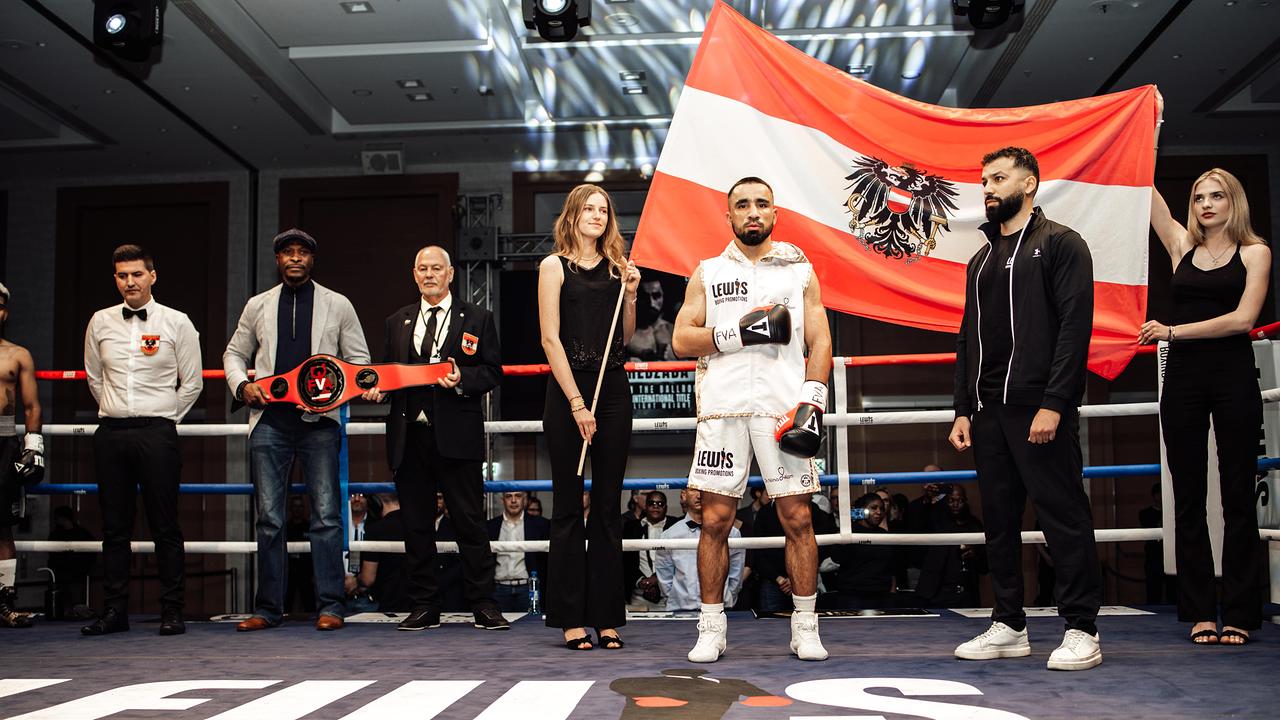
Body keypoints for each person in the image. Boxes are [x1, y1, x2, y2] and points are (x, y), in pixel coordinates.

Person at [949, 147, 1101, 671]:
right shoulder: (980, 260)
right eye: (984, 180)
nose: (988, 188)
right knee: (998, 522)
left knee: (1063, 517)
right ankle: (1009, 623)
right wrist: (962, 408)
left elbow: (1075, 331)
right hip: (988, 413)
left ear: (1029, 183)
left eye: (998, 178)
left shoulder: (1061, 244)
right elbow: (967, 339)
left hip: (1039, 407)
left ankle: (1082, 628)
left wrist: (1055, 403)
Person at [672, 176, 834, 663]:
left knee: (798, 518)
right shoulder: (708, 272)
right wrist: (740, 331)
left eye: (762, 203)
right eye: (742, 205)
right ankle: (710, 627)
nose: (753, 212)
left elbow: (820, 339)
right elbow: (681, 339)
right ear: (729, 216)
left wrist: (813, 399)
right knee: (714, 521)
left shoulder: (799, 270)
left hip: (783, 408)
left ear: (774, 213)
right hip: (722, 408)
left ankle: (805, 626)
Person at [1141, 166, 1270, 645]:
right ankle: (1198, 611)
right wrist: (1141, 135)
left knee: (1238, 496)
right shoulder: (1182, 246)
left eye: (1216, 196)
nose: (1206, 205)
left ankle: (1239, 612)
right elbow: (1147, 192)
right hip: (1184, 381)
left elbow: (1243, 320)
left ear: (1234, 201)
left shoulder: (1255, 252)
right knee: (1188, 497)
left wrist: (1173, 332)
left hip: (1233, 375)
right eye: (1199, 198)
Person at [225, 228, 371, 632]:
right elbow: (234, 353)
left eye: (301, 252)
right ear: (278, 260)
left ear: (311, 259)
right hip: (270, 423)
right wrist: (242, 386)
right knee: (270, 519)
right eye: (287, 252)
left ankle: (331, 606)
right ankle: (268, 609)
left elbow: (359, 362)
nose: (294, 258)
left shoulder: (337, 304)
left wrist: (329, 397)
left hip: (319, 424)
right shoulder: (257, 305)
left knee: (326, 516)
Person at [361, 245, 507, 631]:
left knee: (469, 523)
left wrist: (463, 379)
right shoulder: (397, 321)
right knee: (416, 526)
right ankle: (425, 604)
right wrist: (378, 391)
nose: (429, 274)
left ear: (450, 274)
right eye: (422, 269)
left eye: (436, 268)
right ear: (414, 275)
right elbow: (388, 375)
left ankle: (483, 603)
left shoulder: (477, 317)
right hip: (410, 437)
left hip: (457, 437)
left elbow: (492, 371)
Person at [538, 184, 641, 651]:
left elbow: (626, 336)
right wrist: (578, 403)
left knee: (607, 506)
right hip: (568, 392)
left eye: (604, 210)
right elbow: (550, 339)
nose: (598, 215)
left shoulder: (619, 268)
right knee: (566, 505)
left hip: (614, 389)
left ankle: (607, 617)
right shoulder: (553, 266)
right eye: (589, 208)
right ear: (573, 215)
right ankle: (569, 618)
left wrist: (632, 295)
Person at [82, 245, 202, 636]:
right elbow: (94, 378)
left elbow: (192, 383)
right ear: (115, 279)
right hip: (112, 432)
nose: (130, 282)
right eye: (122, 275)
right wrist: (118, 410)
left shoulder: (177, 322)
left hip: (157, 432)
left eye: (136, 274)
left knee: (165, 525)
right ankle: (115, 611)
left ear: (153, 276)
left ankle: (172, 610)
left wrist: (162, 418)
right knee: (114, 528)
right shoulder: (100, 321)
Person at [0, 282, 43, 629]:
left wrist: (34, 446)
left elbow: (31, 406)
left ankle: (3, 603)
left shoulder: (17, 355)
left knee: (2, 529)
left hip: (2, 444)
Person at [656, 489, 745, 611]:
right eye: (694, 490)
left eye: (704, 490)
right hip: (680, 609)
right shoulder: (669, 535)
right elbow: (664, 576)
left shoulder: (732, 533)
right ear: (684, 495)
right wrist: (675, 599)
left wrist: (728, 596)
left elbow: (736, 573)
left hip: (720, 608)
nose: (699, 495)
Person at [915, 486, 988, 608]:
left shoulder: (974, 526)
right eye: (951, 500)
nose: (955, 504)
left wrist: (975, 554)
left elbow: (985, 565)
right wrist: (928, 499)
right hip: (937, 593)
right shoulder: (938, 521)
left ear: (965, 501)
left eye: (959, 500)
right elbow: (918, 521)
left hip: (967, 593)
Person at [826, 493, 895, 609]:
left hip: (881, 596)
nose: (879, 512)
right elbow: (836, 557)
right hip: (852, 596)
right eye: (874, 508)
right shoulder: (848, 533)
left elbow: (891, 568)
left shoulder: (884, 535)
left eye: (882, 509)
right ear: (861, 510)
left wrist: (892, 595)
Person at [487, 490, 550, 613]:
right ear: (502, 500)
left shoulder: (541, 524)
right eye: (508, 496)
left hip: (528, 589)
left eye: (518, 496)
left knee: (532, 625)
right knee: (497, 626)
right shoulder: (490, 526)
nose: (513, 500)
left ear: (525, 499)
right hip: (498, 589)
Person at [624, 490, 679, 609]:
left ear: (666, 507)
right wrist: (641, 581)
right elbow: (626, 561)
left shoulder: (676, 526)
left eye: (660, 504)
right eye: (651, 503)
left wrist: (658, 578)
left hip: (670, 594)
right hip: (639, 595)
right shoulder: (631, 527)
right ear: (645, 506)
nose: (655, 506)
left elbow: (681, 559)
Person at [357, 494, 409, 612]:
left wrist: (356, 581)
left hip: (388, 602)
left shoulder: (375, 529)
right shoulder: (418, 526)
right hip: (420, 600)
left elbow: (368, 578)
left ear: (377, 504)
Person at [1137, 482, 1174, 605]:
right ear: (1154, 495)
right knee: (1153, 590)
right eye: (1159, 493)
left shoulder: (1174, 512)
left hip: (1171, 555)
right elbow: (1148, 526)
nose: (1161, 496)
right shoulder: (1145, 513)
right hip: (1153, 556)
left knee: (1173, 590)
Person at [624, 278, 677, 361]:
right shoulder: (626, 333)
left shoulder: (673, 330)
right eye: (645, 297)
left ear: (663, 296)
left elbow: (693, 363)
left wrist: (676, 359)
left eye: (656, 296)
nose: (651, 303)